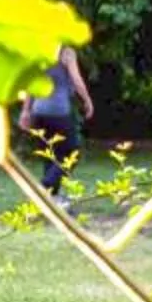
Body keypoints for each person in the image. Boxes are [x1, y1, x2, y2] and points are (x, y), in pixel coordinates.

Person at [21, 44, 94, 195]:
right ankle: (44, 186)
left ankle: (51, 198)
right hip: (58, 111)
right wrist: (87, 101)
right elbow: (76, 79)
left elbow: (31, 83)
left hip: (38, 111)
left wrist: (26, 110)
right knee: (72, 152)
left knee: (50, 156)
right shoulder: (66, 52)